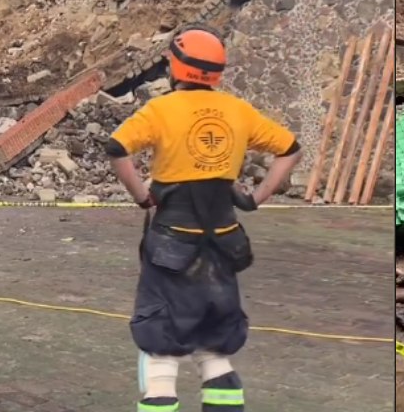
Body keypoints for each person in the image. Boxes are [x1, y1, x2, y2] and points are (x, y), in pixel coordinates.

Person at [105, 26, 303, 412]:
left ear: (176, 66)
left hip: (171, 244)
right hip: (224, 242)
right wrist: (256, 196)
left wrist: (142, 196)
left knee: (160, 347)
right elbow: (290, 149)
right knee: (213, 347)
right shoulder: (237, 110)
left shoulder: (161, 110)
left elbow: (116, 148)